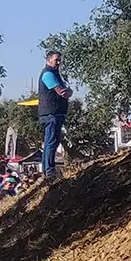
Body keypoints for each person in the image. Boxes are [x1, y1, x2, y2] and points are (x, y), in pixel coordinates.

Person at [38, 50, 72, 180]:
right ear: (48, 60)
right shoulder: (48, 74)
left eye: (59, 60)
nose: (58, 62)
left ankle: (48, 171)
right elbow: (61, 92)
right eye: (56, 59)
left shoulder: (54, 74)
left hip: (55, 113)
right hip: (51, 113)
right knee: (51, 142)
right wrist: (68, 92)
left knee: (51, 142)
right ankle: (49, 171)